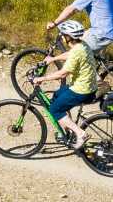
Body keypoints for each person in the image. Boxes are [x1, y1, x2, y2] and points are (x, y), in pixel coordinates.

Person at [28, 20, 97, 149]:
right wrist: (53, 59)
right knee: (57, 96)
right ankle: (67, 130)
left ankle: (80, 133)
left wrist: (41, 78)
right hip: (86, 86)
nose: (62, 37)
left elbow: (62, 74)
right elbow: (69, 54)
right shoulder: (81, 46)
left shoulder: (77, 51)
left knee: (55, 109)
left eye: (63, 34)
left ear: (68, 37)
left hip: (81, 90)